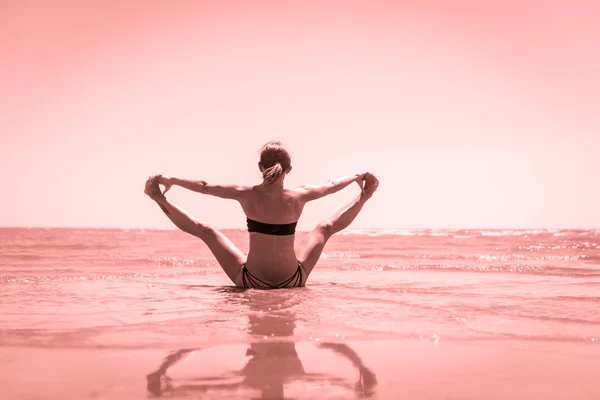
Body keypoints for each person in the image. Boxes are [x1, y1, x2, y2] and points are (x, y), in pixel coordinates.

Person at [144, 140, 379, 288]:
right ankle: (365, 197)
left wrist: (171, 180)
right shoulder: (300, 195)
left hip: (251, 281)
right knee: (325, 228)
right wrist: (357, 177)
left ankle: (158, 198)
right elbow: (331, 185)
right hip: (293, 280)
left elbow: (205, 186)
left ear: (260, 167)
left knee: (206, 231)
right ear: (289, 169)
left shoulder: (246, 194)